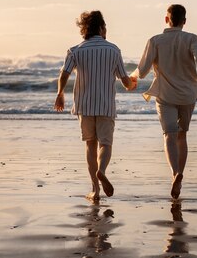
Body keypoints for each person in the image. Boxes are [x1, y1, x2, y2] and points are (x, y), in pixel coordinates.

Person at [54, 10, 136, 202]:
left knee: (90, 145)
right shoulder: (114, 50)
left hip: (85, 105)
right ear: (101, 28)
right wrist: (132, 82)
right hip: (106, 105)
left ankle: (95, 190)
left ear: (85, 29)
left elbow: (64, 74)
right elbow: (124, 81)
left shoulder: (75, 50)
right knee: (105, 144)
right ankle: (102, 170)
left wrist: (59, 94)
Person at [133, 4, 197, 199]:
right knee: (182, 135)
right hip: (187, 95)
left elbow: (142, 71)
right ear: (184, 21)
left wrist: (129, 79)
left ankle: (174, 173)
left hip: (165, 95)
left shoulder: (155, 41)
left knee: (169, 135)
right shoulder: (191, 38)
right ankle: (180, 175)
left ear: (166, 19)